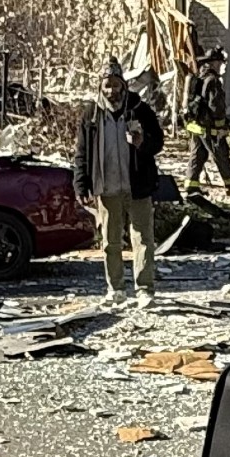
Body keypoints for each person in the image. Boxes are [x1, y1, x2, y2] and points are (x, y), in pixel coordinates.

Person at [72, 59, 164, 307]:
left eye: (116, 85)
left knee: (143, 238)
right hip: (107, 187)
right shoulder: (91, 115)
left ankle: (144, 289)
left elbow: (158, 143)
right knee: (110, 241)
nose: (112, 90)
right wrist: (81, 185)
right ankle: (116, 289)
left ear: (124, 86)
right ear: (100, 87)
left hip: (138, 186)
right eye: (107, 85)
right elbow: (82, 153)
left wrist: (141, 143)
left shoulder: (139, 110)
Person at [183, 47, 230, 191]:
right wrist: (221, 127)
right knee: (221, 154)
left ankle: (191, 186)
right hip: (210, 128)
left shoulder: (199, 78)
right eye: (220, 63)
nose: (222, 66)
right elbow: (216, 106)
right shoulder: (213, 81)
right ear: (214, 63)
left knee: (198, 155)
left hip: (196, 125)